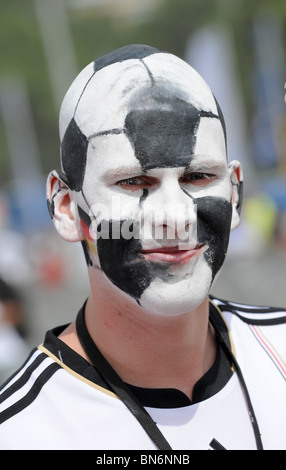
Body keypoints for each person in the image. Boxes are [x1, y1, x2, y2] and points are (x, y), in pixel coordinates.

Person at [0, 44, 285, 451]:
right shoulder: (18, 433)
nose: (177, 216)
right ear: (65, 207)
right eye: (134, 182)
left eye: (199, 176)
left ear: (235, 193)